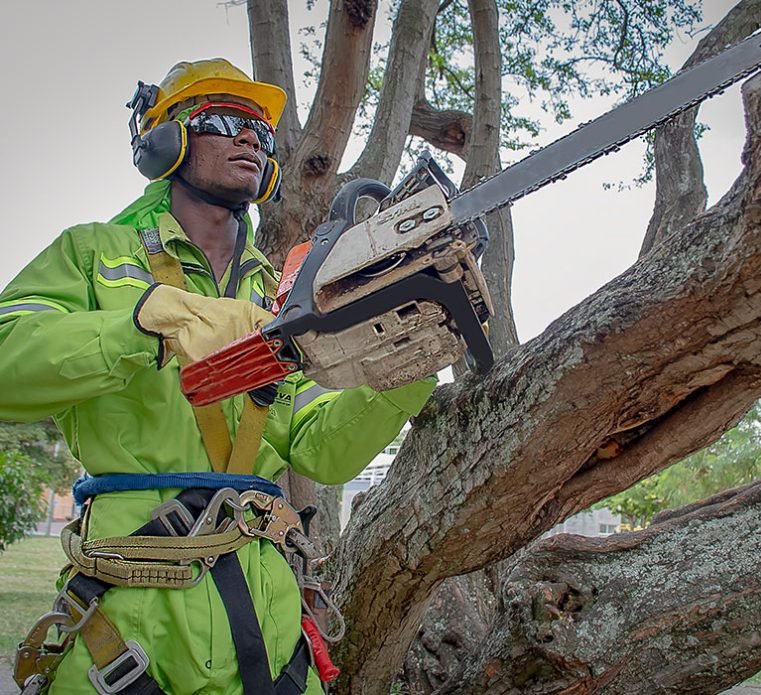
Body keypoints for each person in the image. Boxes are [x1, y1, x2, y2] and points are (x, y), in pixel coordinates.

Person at [0, 58, 435, 694]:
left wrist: (409, 362)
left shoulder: (283, 296)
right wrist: (144, 323)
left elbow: (321, 446)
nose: (249, 138)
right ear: (166, 141)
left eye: (260, 131)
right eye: (225, 119)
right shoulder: (95, 254)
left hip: (271, 625)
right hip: (127, 623)